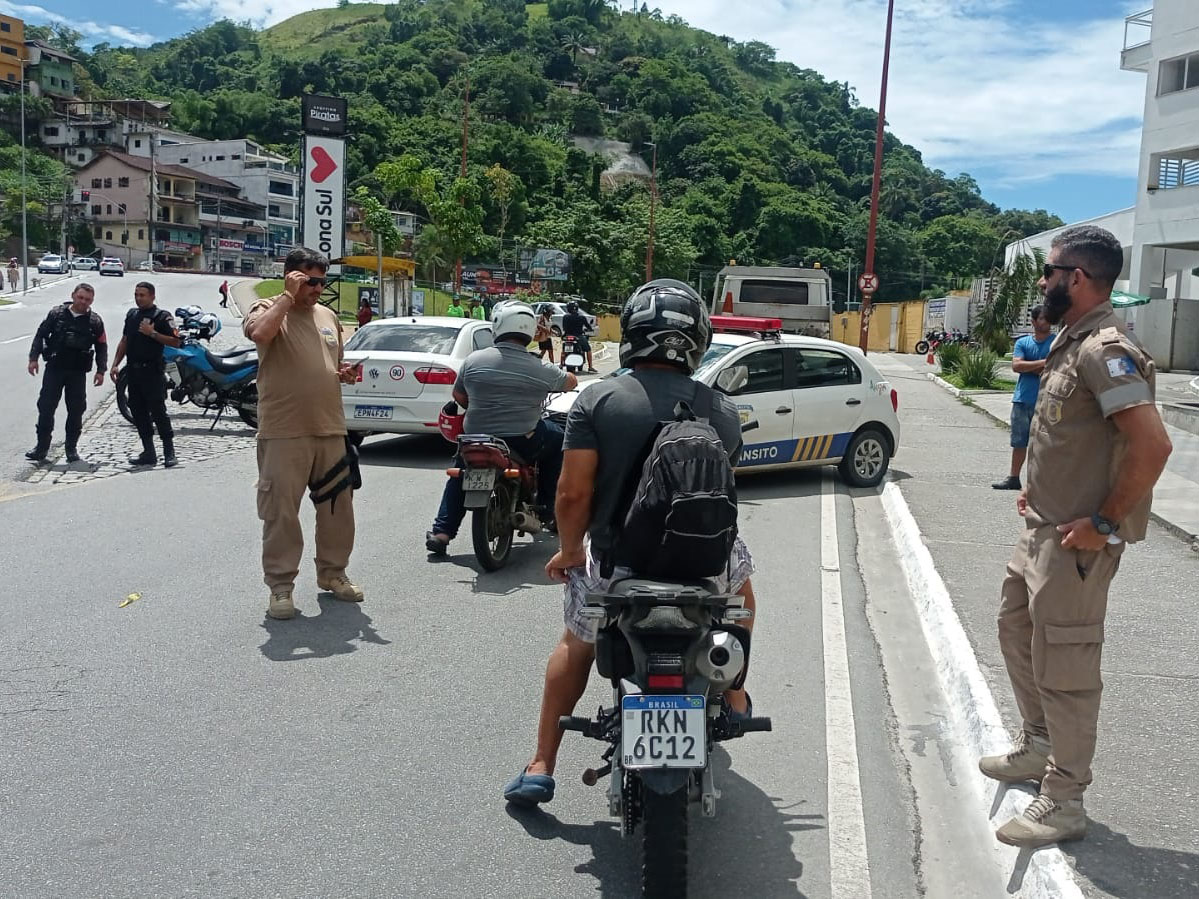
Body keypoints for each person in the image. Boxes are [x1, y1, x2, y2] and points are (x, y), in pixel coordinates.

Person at [503, 280, 757, 807]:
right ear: (699, 339)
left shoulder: (598, 398)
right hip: (703, 564)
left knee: (575, 644)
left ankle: (542, 762)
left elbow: (573, 494)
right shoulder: (723, 410)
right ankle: (732, 692)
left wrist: (571, 550)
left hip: (617, 563)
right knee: (744, 606)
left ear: (632, 334)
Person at [979, 226, 1173, 848]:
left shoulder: (1105, 350)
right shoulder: (1070, 340)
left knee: (1066, 666)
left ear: (1078, 278)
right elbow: (1070, 437)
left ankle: (1064, 799)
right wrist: (1036, 486)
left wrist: (1106, 522)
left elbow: (1152, 445)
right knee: (1015, 632)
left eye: (1050, 270)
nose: (1043, 280)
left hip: (1076, 545)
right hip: (1040, 531)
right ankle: (1037, 746)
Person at [244, 247, 364, 621]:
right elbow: (261, 336)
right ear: (291, 276)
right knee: (281, 512)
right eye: (309, 280)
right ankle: (281, 587)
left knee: (337, 510)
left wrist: (342, 374)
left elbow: (332, 360)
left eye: (320, 281)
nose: (316, 288)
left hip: (329, 427)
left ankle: (333, 574)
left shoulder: (328, 315)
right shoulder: (267, 309)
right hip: (284, 431)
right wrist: (286, 297)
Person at [425, 301, 577, 554]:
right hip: (522, 439)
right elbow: (570, 382)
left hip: (476, 437)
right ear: (530, 330)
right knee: (559, 441)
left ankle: (441, 533)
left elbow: (460, 398)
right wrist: (542, 343)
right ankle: (549, 509)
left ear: (497, 326)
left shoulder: (473, 360)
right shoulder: (539, 367)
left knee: (461, 472)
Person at [25, 283, 107, 464]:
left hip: (77, 372)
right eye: (80, 297)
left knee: (76, 410)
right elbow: (41, 335)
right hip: (55, 368)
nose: (83, 302)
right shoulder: (56, 314)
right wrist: (33, 358)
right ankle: (41, 448)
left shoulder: (95, 321)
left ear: (91, 301)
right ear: (73, 295)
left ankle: (71, 449)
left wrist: (101, 370)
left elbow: (101, 346)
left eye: (87, 299)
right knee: (46, 408)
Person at [109, 281, 181, 468]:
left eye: (142, 295)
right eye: (136, 295)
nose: (139, 298)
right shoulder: (132, 315)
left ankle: (169, 452)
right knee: (138, 412)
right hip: (133, 371)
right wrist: (115, 364)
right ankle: (148, 452)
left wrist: (153, 334)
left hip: (152, 372)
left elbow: (176, 342)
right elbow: (125, 340)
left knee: (159, 412)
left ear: (152, 296)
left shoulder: (162, 317)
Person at [992, 305, 1054, 490]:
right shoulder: (1022, 342)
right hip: (1023, 398)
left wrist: (1030, 365)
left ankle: (1038, 482)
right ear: (1033, 321)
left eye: (1049, 318)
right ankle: (1013, 477)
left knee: (1044, 442)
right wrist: (1043, 363)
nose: (1047, 322)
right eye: (1043, 318)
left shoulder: (1057, 341)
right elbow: (1016, 366)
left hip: (1047, 399)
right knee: (1019, 441)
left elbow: (1057, 366)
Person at [560, 301, 597, 373]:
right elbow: (588, 326)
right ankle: (590, 367)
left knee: (564, 350)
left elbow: (564, 328)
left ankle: (561, 364)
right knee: (588, 349)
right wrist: (590, 329)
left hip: (568, 336)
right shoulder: (581, 317)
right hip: (579, 336)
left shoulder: (565, 317)